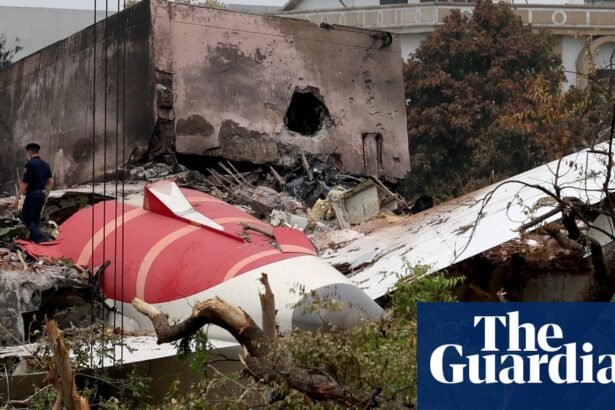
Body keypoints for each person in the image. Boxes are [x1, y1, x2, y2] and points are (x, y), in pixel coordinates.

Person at [13, 143, 53, 243]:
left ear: (30, 151)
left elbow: (24, 183)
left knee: (26, 218)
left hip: (32, 195)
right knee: (36, 218)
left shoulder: (30, 164)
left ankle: (41, 238)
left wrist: (17, 198)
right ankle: (35, 239)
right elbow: (51, 182)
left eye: (27, 152)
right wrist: (45, 192)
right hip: (42, 194)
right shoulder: (46, 165)